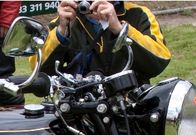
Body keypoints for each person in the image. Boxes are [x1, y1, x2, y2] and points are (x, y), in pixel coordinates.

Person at [40, 0, 170, 84]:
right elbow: (40, 76)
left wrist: (120, 29)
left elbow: (159, 61)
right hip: (78, 108)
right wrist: (62, 32)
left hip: (130, 107)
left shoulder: (139, 14)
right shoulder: (62, 23)